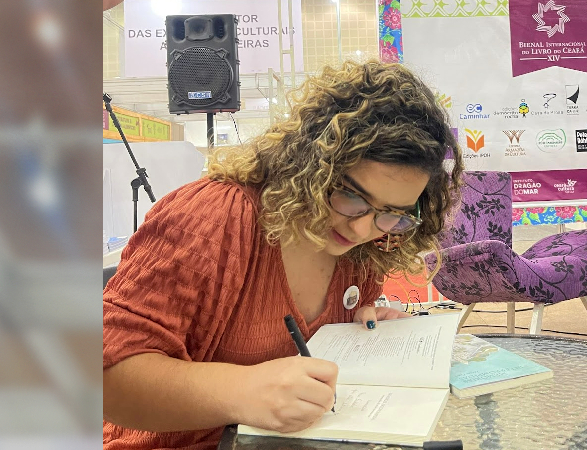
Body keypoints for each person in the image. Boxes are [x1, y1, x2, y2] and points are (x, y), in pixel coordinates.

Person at [102, 60, 464, 450]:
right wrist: (240, 392)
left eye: (392, 213)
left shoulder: (363, 249)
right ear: (311, 164)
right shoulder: (215, 217)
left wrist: (359, 333)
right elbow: (104, 378)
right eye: (352, 196)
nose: (361, 230)